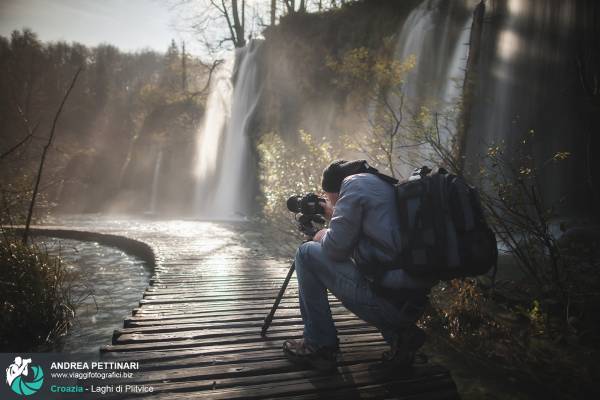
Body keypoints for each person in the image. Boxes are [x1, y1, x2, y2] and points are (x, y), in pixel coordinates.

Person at [283, 159, 437, 371]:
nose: (330, 203)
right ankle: (401, 336)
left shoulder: (353, 185)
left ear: (335, 189)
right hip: (411, 304)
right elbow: (372, 241)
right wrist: (333, 214)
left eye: (328, 198)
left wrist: (320, 234)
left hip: (387, 305)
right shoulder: (382, 184)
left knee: (306, 253)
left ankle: (319, 345)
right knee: (377, 270)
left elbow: (336, 249)